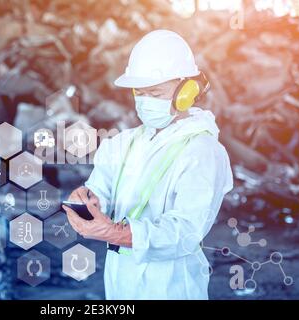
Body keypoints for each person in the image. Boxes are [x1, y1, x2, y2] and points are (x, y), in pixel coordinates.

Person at [62, 30, 234, 300]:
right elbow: (100, 192)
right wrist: (88, 201)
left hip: (171, 287)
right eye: (139, 92)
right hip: (120, 283)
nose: (145, 101)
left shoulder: (202, 152)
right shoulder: (122, 143)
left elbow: (185, 232)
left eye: (155, 92)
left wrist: (115, 233)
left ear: (186, 91)